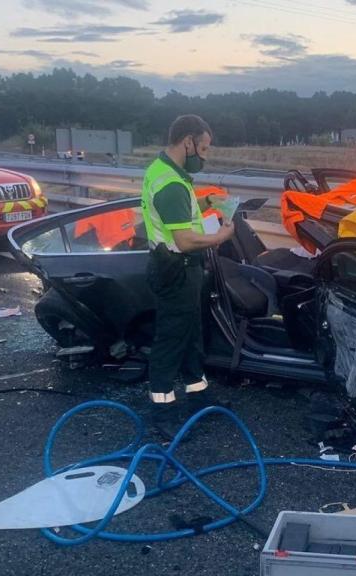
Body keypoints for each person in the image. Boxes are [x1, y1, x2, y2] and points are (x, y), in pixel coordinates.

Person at [141, 115, 234, 403]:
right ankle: (162, 405)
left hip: (179, 267)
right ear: (188, 142)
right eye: (204, 149)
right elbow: (184, 239)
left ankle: (197, 388)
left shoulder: (165, 171)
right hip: (176, 268)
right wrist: (221, 236)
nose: (204, 156)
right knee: (171, 338)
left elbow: (183, 211)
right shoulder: (171, 184)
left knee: (192, 330)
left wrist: (209, 202)